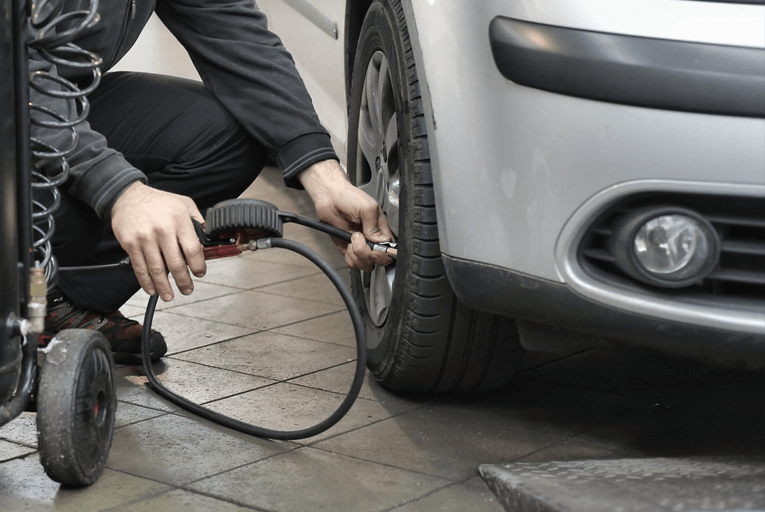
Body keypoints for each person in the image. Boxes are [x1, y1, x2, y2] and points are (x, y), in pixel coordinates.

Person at [31, 0, 393, 364]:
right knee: (70, 193)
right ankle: (21, 279)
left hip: (54, 99)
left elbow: (235, 34)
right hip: (15, 102)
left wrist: (322, 174)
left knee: (227, 136)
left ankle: (56, 297)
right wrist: (120, 190)